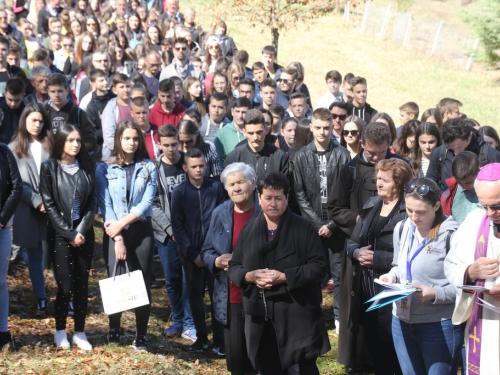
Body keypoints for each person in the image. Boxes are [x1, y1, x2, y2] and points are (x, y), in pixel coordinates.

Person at [227, 172, 330, 374]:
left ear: (287, 198)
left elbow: (319, 266)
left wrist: (284, 277)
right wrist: (250, 276)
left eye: (278, 198)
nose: (273, 203)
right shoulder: (250, 230)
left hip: (296, 316)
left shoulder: (303, 228)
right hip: (260, 318)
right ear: (259, 198)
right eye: (268, 198)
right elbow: (234, 266)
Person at [328, 123, 406, 373]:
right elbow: (337, 209)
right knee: (364, 324)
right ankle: (359, 360)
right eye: (372, 154)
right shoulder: (351, 173)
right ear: (362, 144)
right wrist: (356, 238)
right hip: (361, 264)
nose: (376, 159)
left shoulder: (400, 179)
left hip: (387, 274)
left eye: (382, 153)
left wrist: (378, 258)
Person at [378, 176, 461, 374]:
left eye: (421, 212)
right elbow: (399, 264)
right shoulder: (402, 228)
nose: (414, 217)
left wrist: (434, 293)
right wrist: (392, 276)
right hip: (401, 320)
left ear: (437, 206)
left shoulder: (452, 235)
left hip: (438, 324)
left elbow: (464, 286)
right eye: (409, 210)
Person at [347, 158, 413, 375]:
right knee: (374, 346)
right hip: (365, 287)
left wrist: (378, 259)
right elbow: (352, 240)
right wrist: (356, 252)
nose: (379, 183)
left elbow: (408, 253)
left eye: (385, 180)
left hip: (390, 291)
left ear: (400, 183)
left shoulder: (407, 211)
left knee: (393, 347)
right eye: (378, 179)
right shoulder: (372, 204)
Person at [96, 120, 157, 351]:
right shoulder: (104, 168)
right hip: (114, 232)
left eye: (135, 138)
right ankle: (114, 328)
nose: (131, 143)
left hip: (141, 230)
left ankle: (141, 334)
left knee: (142, 282)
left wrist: (121, 225)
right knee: (117, 279)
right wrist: (118, 237)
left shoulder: (150, 167)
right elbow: (105, 204)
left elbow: (146, 204)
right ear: (118, 140)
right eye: (126, 138)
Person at [293, 108, 351, 332]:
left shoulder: (342, 155)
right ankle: (313, 314)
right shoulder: (301, 157)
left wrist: (333, 225)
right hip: (312, 226)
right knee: (313, 273)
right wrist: (319, 225)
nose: (322, 132)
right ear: (311, 127)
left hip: (337, 224)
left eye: (326, 127)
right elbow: (300, 195)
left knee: (338, 272)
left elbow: (346, 193)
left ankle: (338, 316)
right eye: (318, 127)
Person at [40, 124, 96, 350]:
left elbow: (93, 202)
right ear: (61, 142)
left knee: (82, 285)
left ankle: (80, 332)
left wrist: (81, 231)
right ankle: (60, 330)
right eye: (71, 140)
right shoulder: (49, 167)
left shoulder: (86, 166)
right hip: (60, 235)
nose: (75, 145)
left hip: (84, 234)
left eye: (78, 140)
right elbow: (49, 204)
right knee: (65, 286)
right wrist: (69, 233)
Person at [200, 162, 260, 374]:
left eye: (240, 182)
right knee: (236, 361)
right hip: (230, 297)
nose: (236, 188)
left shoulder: (266, 212)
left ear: (253, 184)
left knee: (260, 358)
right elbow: (206, 251)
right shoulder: (220, 213)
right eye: (231, 184)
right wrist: (216, 262)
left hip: (260, 297)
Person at [444, 163, 500, 375]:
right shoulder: (475, 220)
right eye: (484, 205)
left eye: (496, 206)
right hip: (484, 321)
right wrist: (470, 272)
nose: (490, 213)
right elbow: (451, 264)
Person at [171, 148, 226, 353]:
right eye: (194, 166)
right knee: (195, 296)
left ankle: (220, 340)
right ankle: (201, 338)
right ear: (185, 168)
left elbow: (222, 220)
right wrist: (193, 254)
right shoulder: (179, 192)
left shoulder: (216, 187)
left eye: (202, 166)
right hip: (191, 255)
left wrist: (213, 252)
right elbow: (177, 226)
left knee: (217, 296)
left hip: (214, 254)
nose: (199, 170)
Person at [151, 124, 196, 342]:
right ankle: (178, 319)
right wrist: (170, 230)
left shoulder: (187, 163)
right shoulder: (155, 168)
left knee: (189, 278)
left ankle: (189, 322)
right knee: (172, 278)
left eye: (174, 144)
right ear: (159, 144)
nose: (171, 149)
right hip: (166, 234)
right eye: (166, 145)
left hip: (189, 232)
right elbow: (153, 204)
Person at [9, 102, 52, 314]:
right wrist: (37, 200)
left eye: (41, 121)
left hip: (53, 206)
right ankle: (41, 297)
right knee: (35, 253)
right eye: (33, 120)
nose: (37, 125)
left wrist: (49, 201)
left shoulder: (51, 144)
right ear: (24, 120)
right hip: (28, 209)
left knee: (57, 252)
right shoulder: (14, 148)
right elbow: (15, 182)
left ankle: (66, 296)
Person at [426, 118, 500, 191]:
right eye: (451, 148)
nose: (456, 153)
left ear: (470, 136)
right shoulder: (440, 153)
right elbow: (430, 183)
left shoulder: (490, 155)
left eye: (459, 147)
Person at [0, 134, 22, 350]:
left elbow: (16, 188)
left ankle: (2, 332)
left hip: (1, 228)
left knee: (0, 282)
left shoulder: (5, 152)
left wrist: (1, 220)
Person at [225, 109, 289, 180]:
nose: (255, 137)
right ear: (244, 132)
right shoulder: (234, 157)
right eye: (251, 133)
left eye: (259, 132)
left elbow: (286, 187)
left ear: (266, 130)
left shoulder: (280, 157)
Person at [45, 73, 96, 154]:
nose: (57, 95)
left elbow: (91, 141)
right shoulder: (43, 113)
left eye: (60, 91)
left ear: (67, 90)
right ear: (48, 92)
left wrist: (73, 148)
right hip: (50, 159)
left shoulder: (78, 113)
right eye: (53, 91)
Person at [440, 151, 480, 225]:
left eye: (468, 182)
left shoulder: (492, 191)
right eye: (460, 183)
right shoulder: (448, 195)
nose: (464, 187)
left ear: (478, 171)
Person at [101, 73, 132, 160]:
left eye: (128, 86)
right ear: (114, 90)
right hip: (116, 156)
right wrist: (121, 153)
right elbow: (109, 136)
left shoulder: (136, 104)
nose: (126, 90)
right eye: (122, 87)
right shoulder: (110, 109)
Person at [214, 97, 252, 165]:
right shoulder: (222, 133)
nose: (240, 116)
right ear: (232, 112)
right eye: (237, 111)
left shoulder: (254, 132)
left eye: (244, 112)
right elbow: (219, 159)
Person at [0, 78, 26, 145]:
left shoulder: (27, 112)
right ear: (5, 92)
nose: (13, 104)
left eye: (17, 100)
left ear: (23, 95)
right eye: (10, 99)